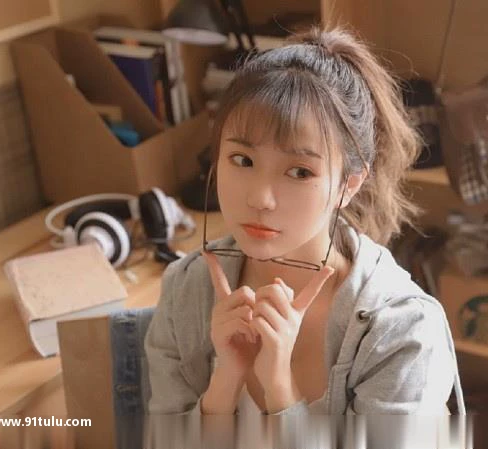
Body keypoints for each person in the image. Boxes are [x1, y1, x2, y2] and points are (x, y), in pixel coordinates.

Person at [144, 25, 465, 417]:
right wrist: (225, 380)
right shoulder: (185, 289)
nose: (260, 198)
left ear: (349, 184)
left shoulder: (402, 330)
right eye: (243, 160)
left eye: (299, 171)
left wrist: (280, 387)